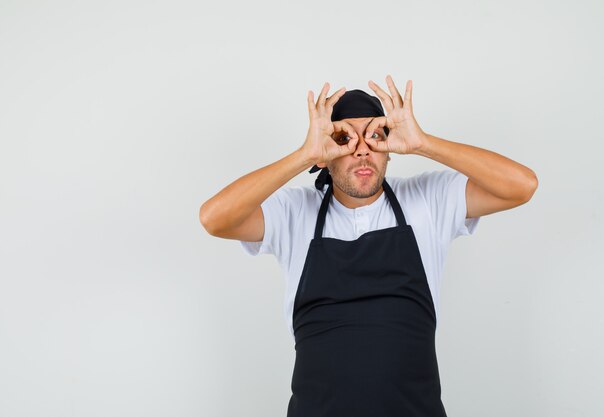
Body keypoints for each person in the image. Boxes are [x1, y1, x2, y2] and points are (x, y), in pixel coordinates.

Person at [199, 75, 538, 417]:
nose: (362, 149)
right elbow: (214, 219)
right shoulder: (293, 213)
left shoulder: (428, 200)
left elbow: (522, 186)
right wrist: (304, 156)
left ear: (391, 148)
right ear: (326, 155)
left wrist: (424, 143)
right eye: (344, 138)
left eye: (375, 136)